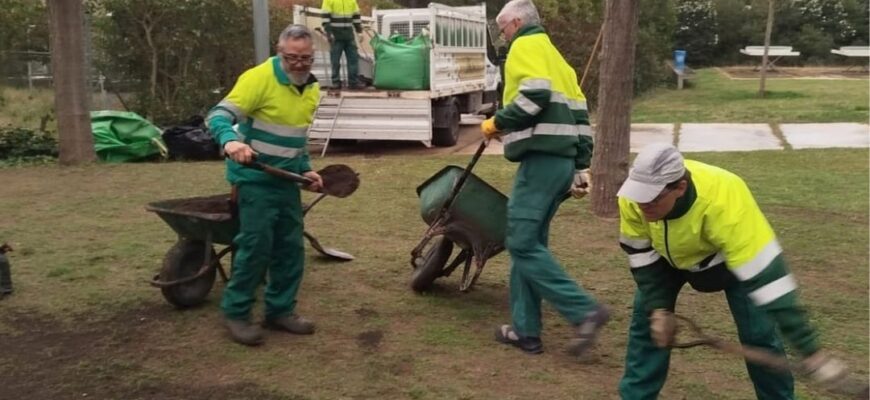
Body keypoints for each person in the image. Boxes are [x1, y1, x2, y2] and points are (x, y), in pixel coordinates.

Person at [617, 143, 850, 399]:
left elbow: (771, 282)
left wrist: (811, 352)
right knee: (648, 326)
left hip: (728, 264)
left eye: (652, 197)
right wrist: (658, 307)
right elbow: (640, 252)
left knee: (759, 335)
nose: (642, 204)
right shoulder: (634, 198)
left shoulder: (725, 199)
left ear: (680, 188)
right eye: (639, 195)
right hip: (664, 260)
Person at [481, 0, 610, 357]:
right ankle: (526, 332)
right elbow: (582, 114)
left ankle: (584, 311)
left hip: (540, 162)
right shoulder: (557, 58)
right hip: (562, 163)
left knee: (521, 243)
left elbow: (533, 97)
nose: (503, 37)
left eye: (503, 28)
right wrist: (580, 166)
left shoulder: (525, 45)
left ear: (518, 22)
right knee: (530, 244)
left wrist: (497, 123)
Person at [205, 24, 324, 346]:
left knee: (290, 249)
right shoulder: (258, 78)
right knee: (255, 248)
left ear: (313, 56)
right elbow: (217, 115)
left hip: (286, 181)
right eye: (292, 57)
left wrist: (306, 171)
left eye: (306, 58)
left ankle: (280, 311)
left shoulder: (312, 88)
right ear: (279, 51)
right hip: (255, 179)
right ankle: (237, 313)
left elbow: (295, 139)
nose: (299, 64)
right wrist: (230, 142)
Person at [321, 0, 363, 89]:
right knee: (335, 61)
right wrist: (329, 32)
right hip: (335, 36)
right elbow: (325, 18)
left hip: (349, 36)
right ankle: (336, 82)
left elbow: (356, 16)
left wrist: (359, 31)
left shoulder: (352, 1)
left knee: (353, 59)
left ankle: (353, 82)